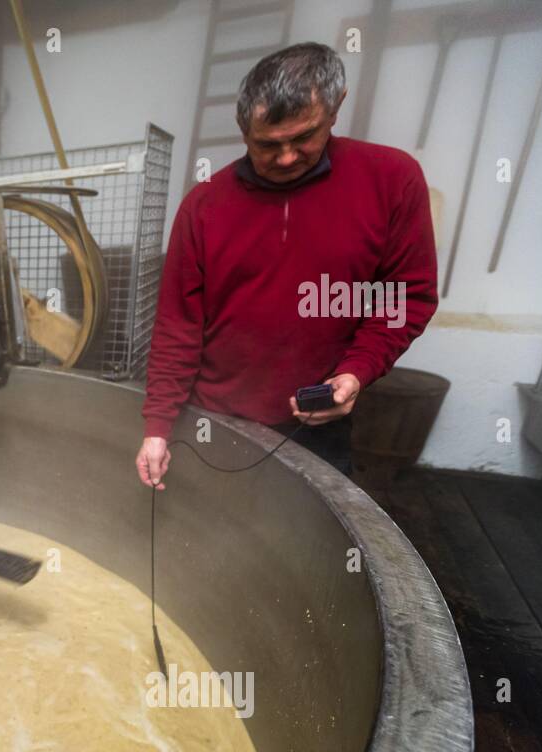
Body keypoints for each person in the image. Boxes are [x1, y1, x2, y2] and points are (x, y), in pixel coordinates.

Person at [135, 42, 437, 488]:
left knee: (311, 553)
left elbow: (405, 299)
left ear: (336, 109)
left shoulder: (392, 181)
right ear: (243, 129)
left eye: (304, 137)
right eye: (268, 144)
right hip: (211, 420)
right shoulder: (204, 206)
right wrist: (158, 428)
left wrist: (356, 371)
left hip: (316, 423)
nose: (287, 157)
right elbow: (178, 325)